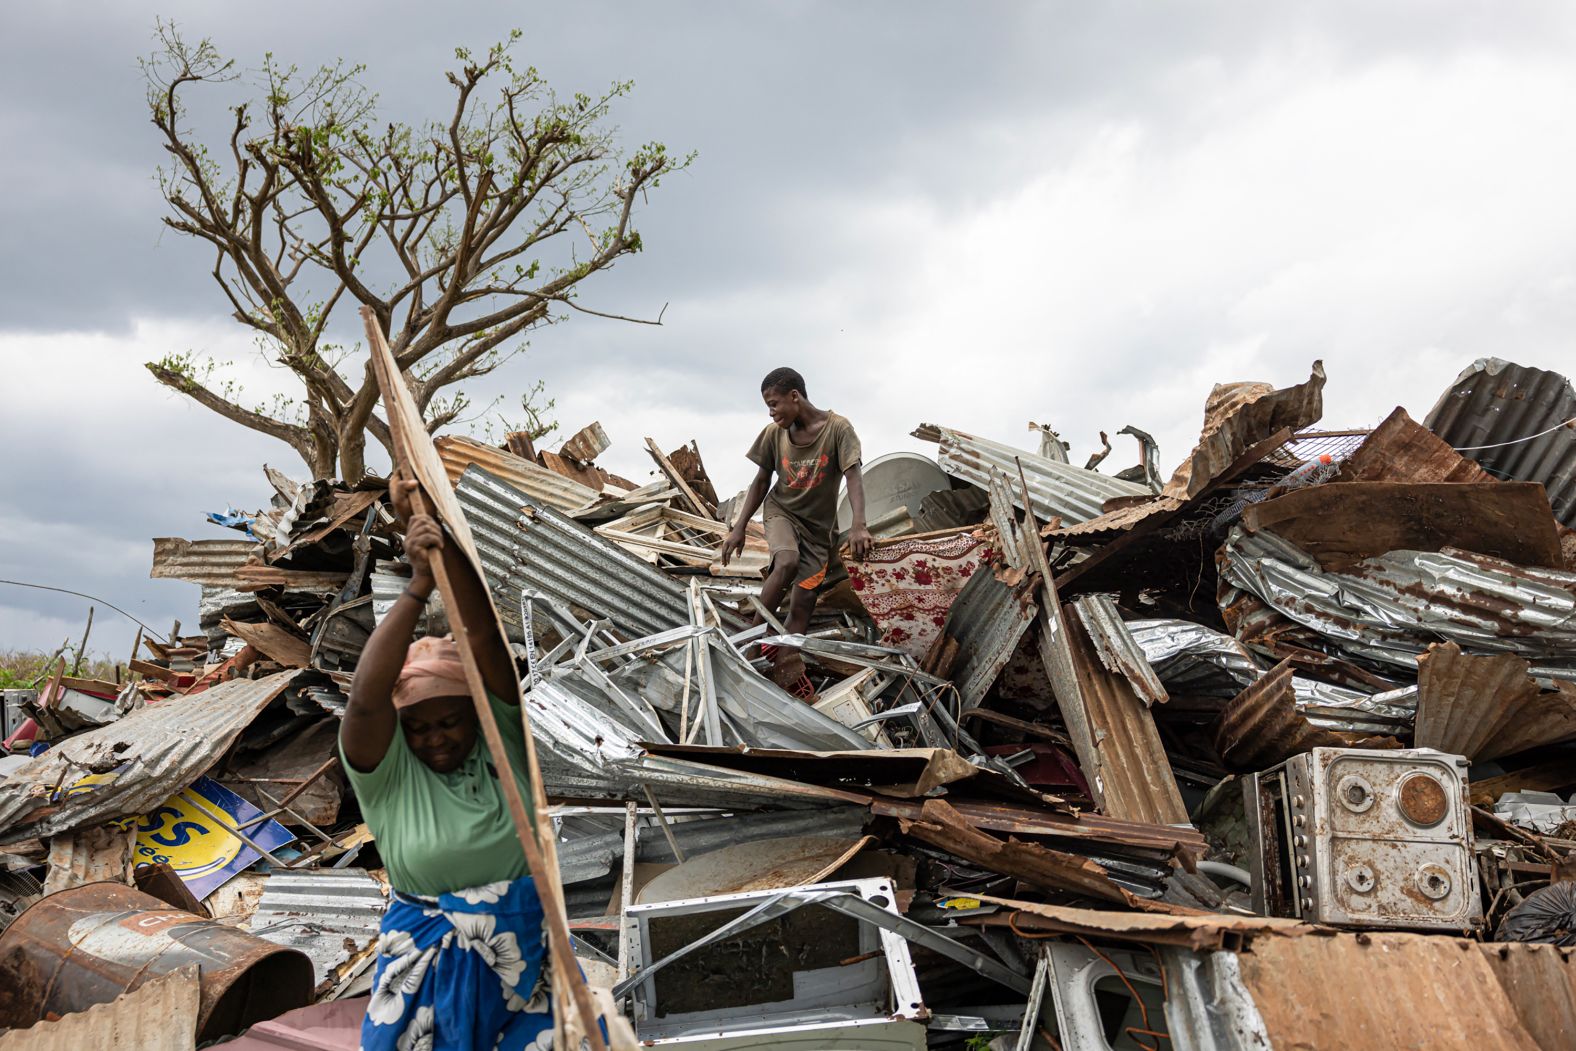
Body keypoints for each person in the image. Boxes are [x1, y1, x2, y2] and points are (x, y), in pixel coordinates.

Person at [340, 475, 553, 1051]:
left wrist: (442, 543)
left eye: (449, 721)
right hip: (423, 965)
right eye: (418, 726)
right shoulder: (390, 776)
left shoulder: (503, 749)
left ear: (477, 715)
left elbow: (482, 634)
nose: (433, 738)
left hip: (526, 963)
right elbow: (364, 700)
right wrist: (416, 588)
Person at [720, 367, 872, 696]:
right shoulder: (774, 434)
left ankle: (784, 672)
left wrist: (859, 524)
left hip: (818, 532)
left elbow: (853, 476)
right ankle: (748, 649)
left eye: (774, 404)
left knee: (803, 603)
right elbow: (762, 481)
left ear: (795, 396)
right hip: (782, 512)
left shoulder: (838, 429)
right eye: (767, 407)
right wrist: (739, 527)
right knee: (786, 561)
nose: (771, 412)